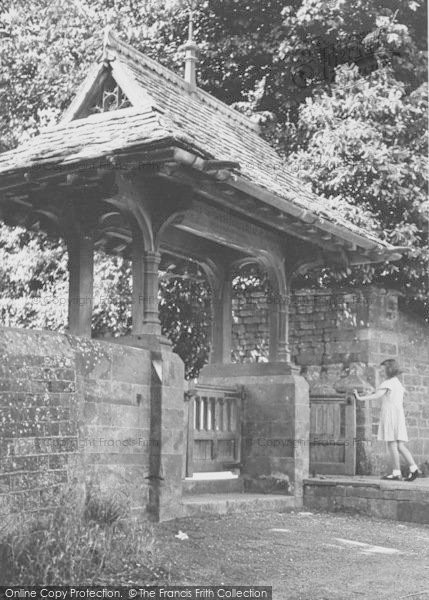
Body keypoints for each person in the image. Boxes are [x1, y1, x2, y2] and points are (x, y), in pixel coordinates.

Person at [353, 359, 420, 481]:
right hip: (398, 415)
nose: (381, 372)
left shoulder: (388, 382)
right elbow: (384, 393)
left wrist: (359, 398)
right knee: (400, 445)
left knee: (392, 444)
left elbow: (377, 395)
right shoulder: (397, 383)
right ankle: (414, 469)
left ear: (389, 370)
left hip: (391, 415)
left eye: (383, 369)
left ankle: (396, 473)